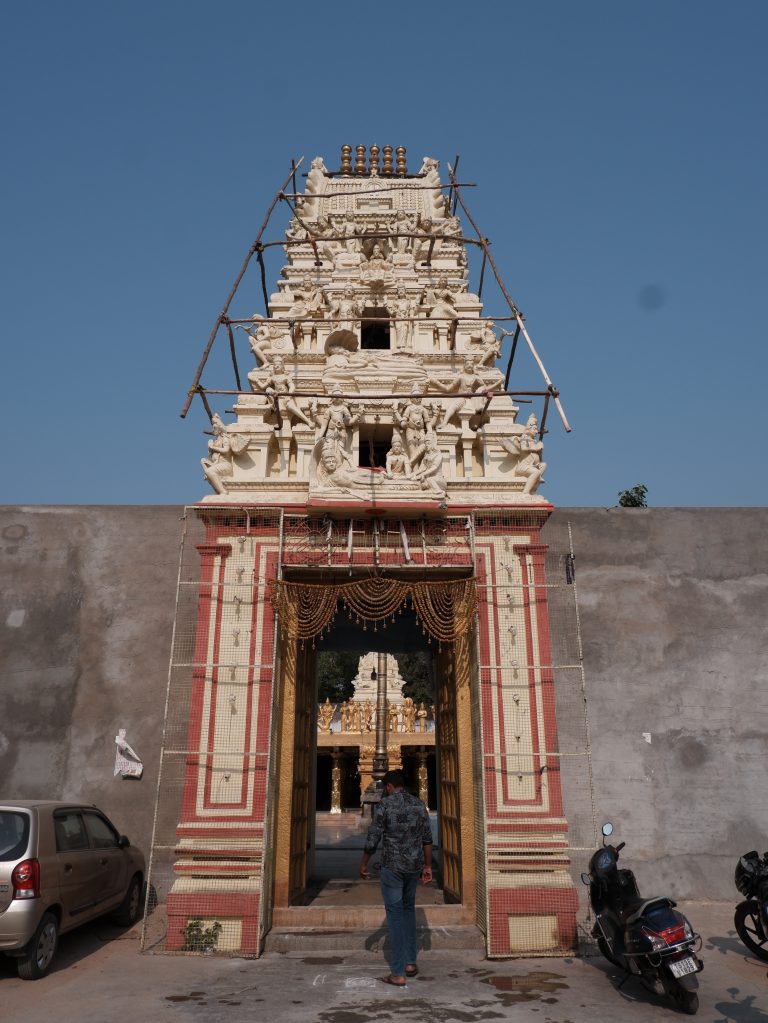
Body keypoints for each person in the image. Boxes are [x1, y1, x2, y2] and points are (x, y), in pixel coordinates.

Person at [359, 769, 433, 987]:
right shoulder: (419, 805)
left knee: (394, 915)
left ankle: (398, 972)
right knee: (408, 908)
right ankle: (411, 962)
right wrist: (427, 866)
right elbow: (427, 839)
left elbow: (373, 838)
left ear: (389, 786)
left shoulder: (385, 805)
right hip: (413, 867)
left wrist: (363, 863)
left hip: (392, 867)